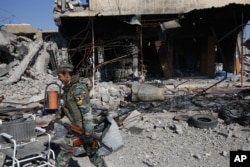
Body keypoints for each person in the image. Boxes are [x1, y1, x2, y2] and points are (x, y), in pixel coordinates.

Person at [52, 63, 107, 167]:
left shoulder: (78, 89)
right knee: (94, 155)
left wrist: (88, 134)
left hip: (81, 130)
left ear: (67, 74)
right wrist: (54, 120)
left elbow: (87, 113)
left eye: (60, 76)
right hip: (77, 129)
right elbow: (66, 108)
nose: (59, 79)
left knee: (62, 158)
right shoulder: (68, 89)